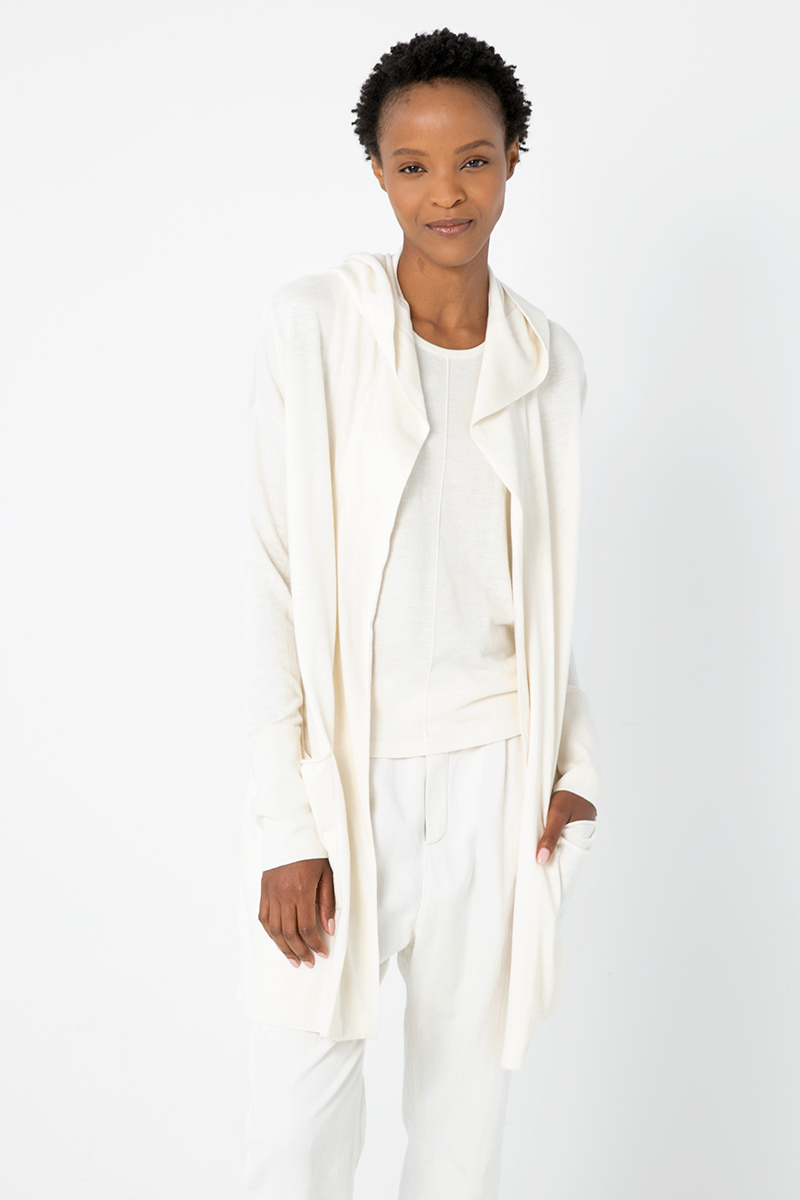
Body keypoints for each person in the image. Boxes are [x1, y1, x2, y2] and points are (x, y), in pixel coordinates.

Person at [238, 27, 601, 1200]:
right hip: (347, 780)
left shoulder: (549, 362)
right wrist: (285, 827)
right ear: (378, 173)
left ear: (511, 161)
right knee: (293, 1136)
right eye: (412, 165)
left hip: (496, 778)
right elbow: (269, 575)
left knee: (459, 1137)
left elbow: (546, 589)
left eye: (473, 160)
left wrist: (574, 766)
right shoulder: (313, 328)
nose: (445, 192)